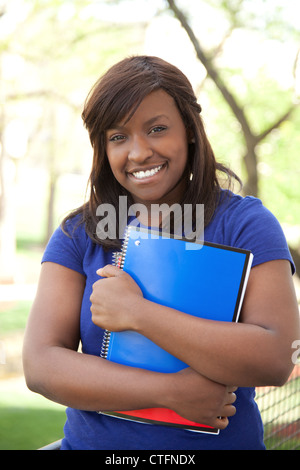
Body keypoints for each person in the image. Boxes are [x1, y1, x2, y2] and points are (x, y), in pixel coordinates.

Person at [23, 56, 299, 450]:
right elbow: (41, 365)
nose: (138, 153)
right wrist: (169, 391)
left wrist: (139, 314)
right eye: (118, 137)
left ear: (189, 129)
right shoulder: (79, 233)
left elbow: (277, 357)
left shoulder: (244, 223)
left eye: (156, 129)